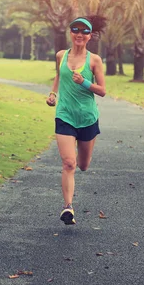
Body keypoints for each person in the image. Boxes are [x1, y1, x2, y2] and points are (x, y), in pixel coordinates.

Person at [46, 16, 107, 225]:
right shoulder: (61, 55)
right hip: (65, 115)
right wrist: (53, 94)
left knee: (82, 165)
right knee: (69, 163)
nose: (79, 34)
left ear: (90, 36)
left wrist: (84, 82)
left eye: (84, 31)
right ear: (70, 33)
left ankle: (70, 199)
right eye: (75, 30)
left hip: (88, 118)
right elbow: (58, 76)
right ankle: (68, 207)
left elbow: (103, 91)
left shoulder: (94, 60)